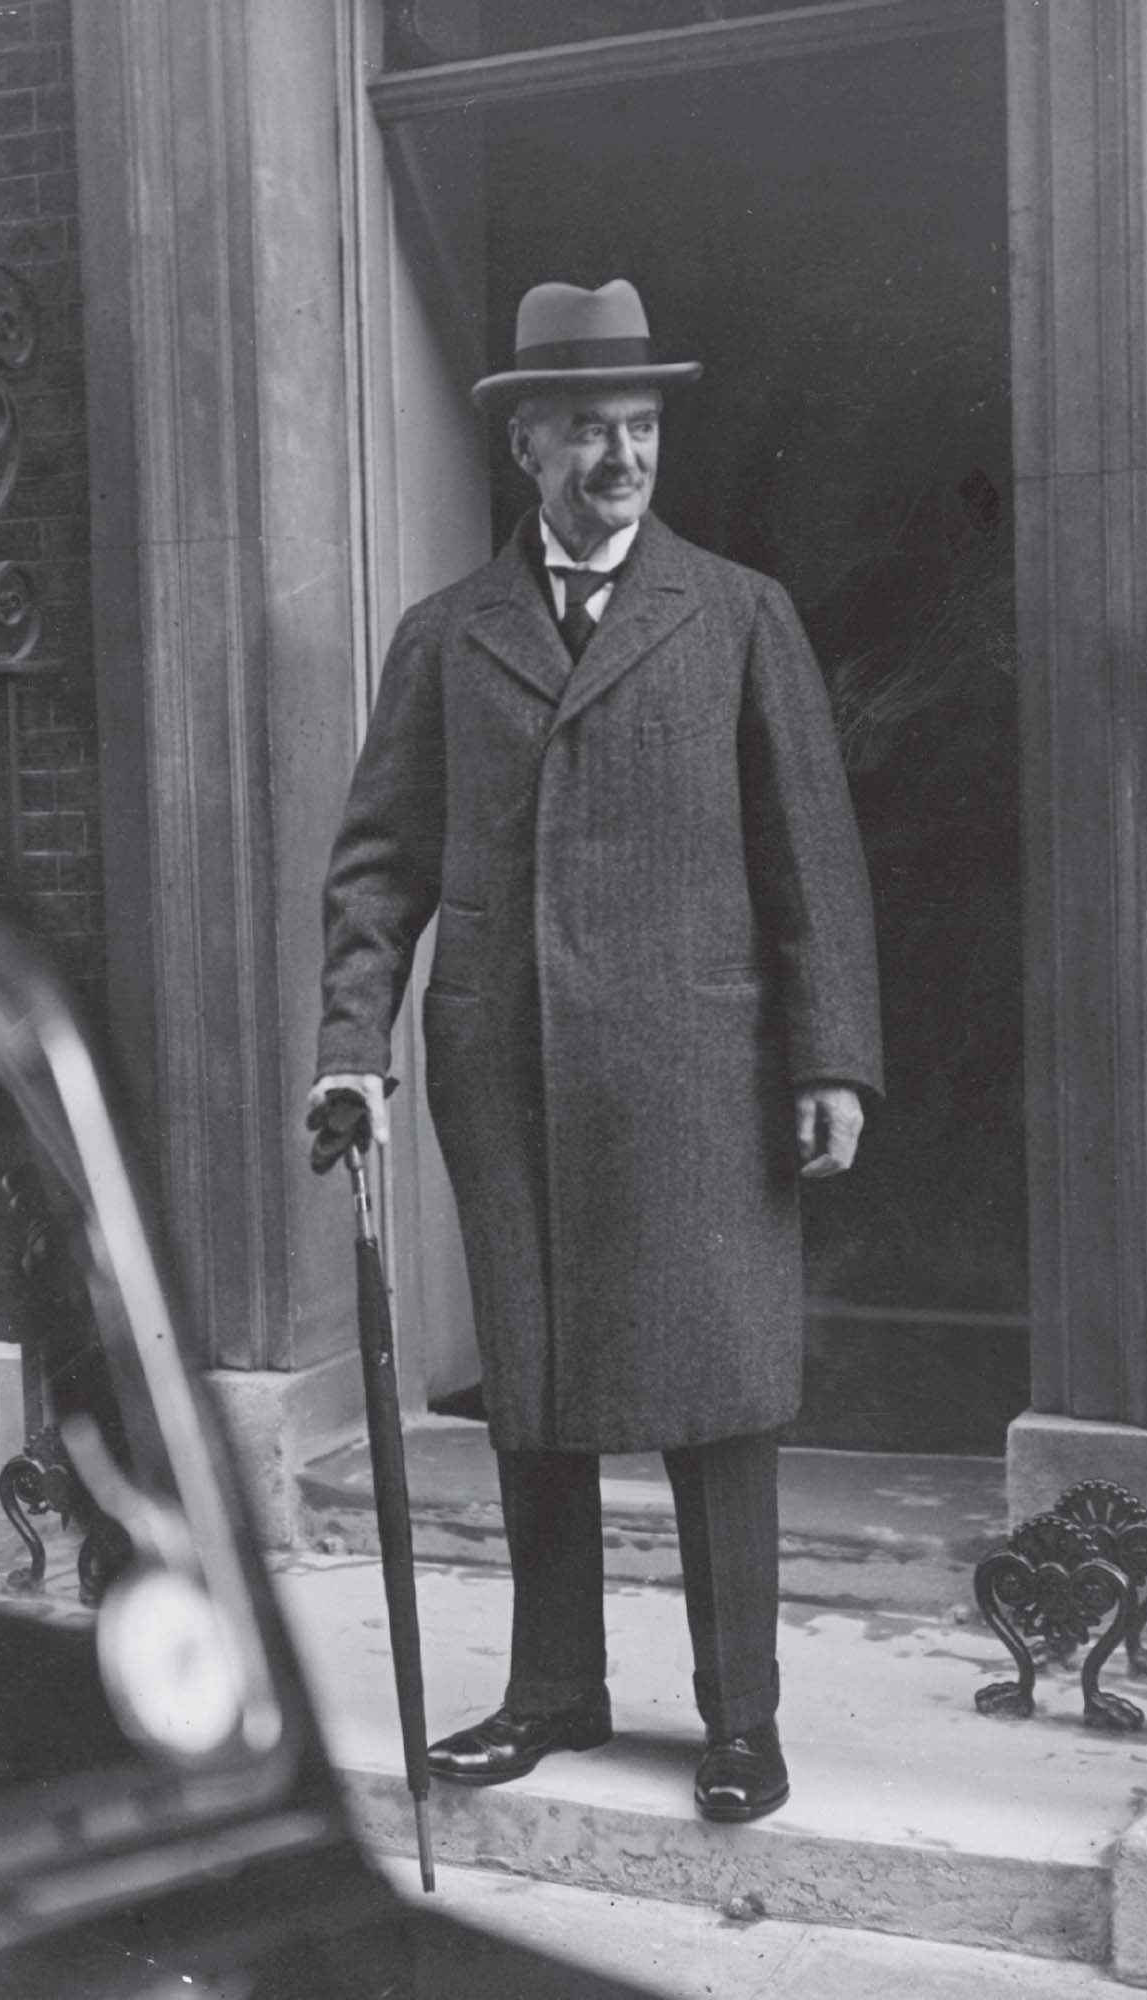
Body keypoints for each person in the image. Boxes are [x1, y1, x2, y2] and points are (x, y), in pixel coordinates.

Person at [308, 279, 882, 1824]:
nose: (622, 459)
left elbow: (811, 859)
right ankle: (554, 1691)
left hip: (703, 1078)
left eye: (641, 429)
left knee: (724, 1397)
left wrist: (831, 1060)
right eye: (588, 432)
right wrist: (351, 1047)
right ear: (527, 446)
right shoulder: (447, 637)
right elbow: (379, 867)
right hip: (512, 1078)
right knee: (536, 1389)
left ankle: (741, 1721)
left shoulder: (740, 613)